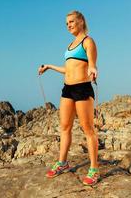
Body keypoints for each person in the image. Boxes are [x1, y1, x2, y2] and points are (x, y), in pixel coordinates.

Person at [38, 10, 99, 185]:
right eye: (66, 23)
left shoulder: (88, 41)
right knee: (65, 127)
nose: (69, 25)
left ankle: (94, 169)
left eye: (71, 21)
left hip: (82, 89)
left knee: (88, 129)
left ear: (81, 21)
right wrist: (49, 66)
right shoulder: (70, 45)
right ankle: (62, 163)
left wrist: (93, 70)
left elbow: (92, 63)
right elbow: (69, 69)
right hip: (67, 89)